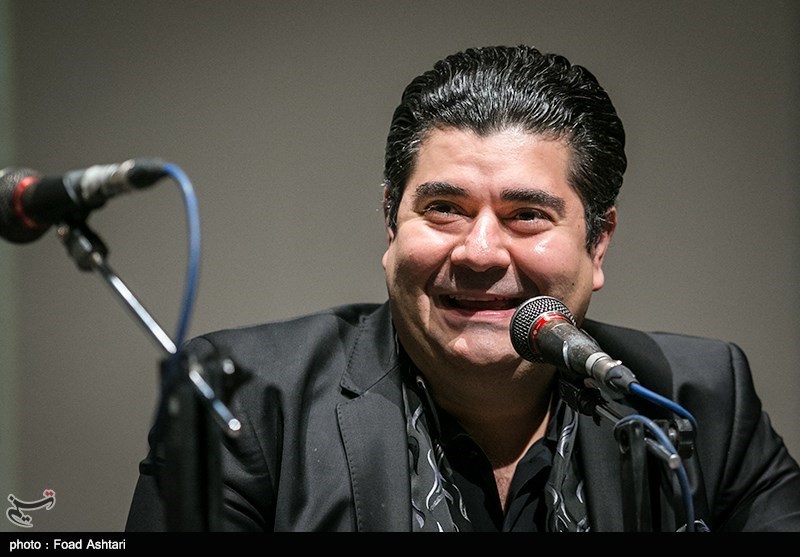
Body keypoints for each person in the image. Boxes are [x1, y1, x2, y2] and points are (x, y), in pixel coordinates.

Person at [125, 45, 800, 532]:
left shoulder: (698, 399)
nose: (479, 253)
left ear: (597, 243)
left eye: (526, 215)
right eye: (444, 208)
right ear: (391, 223)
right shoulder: (241, 398)